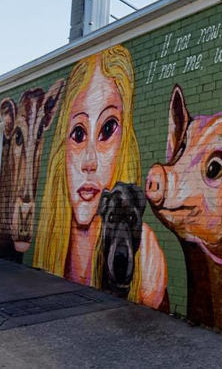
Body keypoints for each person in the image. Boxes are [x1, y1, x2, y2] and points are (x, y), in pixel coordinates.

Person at [33, 45, 167, 308]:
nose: (90, 162)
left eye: (107, 129)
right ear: (62, 150)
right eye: (79, 134)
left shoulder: (147, 263)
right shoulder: (48, 254)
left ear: (124, 144)